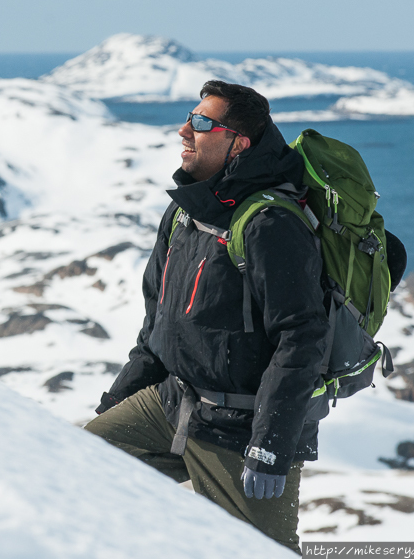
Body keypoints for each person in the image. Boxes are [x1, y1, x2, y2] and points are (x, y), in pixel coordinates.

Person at [85, 80, 329, 552]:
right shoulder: (184, 215)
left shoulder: (269, 224)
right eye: (188, 118)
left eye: (200, 123)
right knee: (74, 464)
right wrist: (115, 405)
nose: (184, 130)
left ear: (238, 143)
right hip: (171, 405)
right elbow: (157, 331)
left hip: (242, 431)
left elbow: (301, 338)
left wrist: (271, 445)